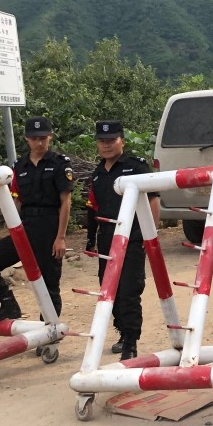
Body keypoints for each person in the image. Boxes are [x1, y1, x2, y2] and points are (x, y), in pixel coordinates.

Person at [0, 116, 72, 324]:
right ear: (26, 139)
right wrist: (12, 228)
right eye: (34, 138)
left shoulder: (59, 164)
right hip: (24, 228)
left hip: (49, 228)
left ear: (50, 137)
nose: (39, 142)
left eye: (43, 138)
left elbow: (66, 201)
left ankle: (49, 331)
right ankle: (8, 303)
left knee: (48, 284)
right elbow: (16, 200)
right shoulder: (19, 167)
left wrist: (61, 237)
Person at [84, 120, 160, 361]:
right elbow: (93, 208)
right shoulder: (97, 174)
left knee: (128, 290)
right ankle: (122, 331)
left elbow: (153, 200)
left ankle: (131, 342)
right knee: (109, 290)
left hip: (133, 237)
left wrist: (151, 236)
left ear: (122, 142)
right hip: (106, 240)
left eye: (111, 140)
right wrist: (91, 240)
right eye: (102, 141)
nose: (106, 146)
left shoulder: (135, 166)